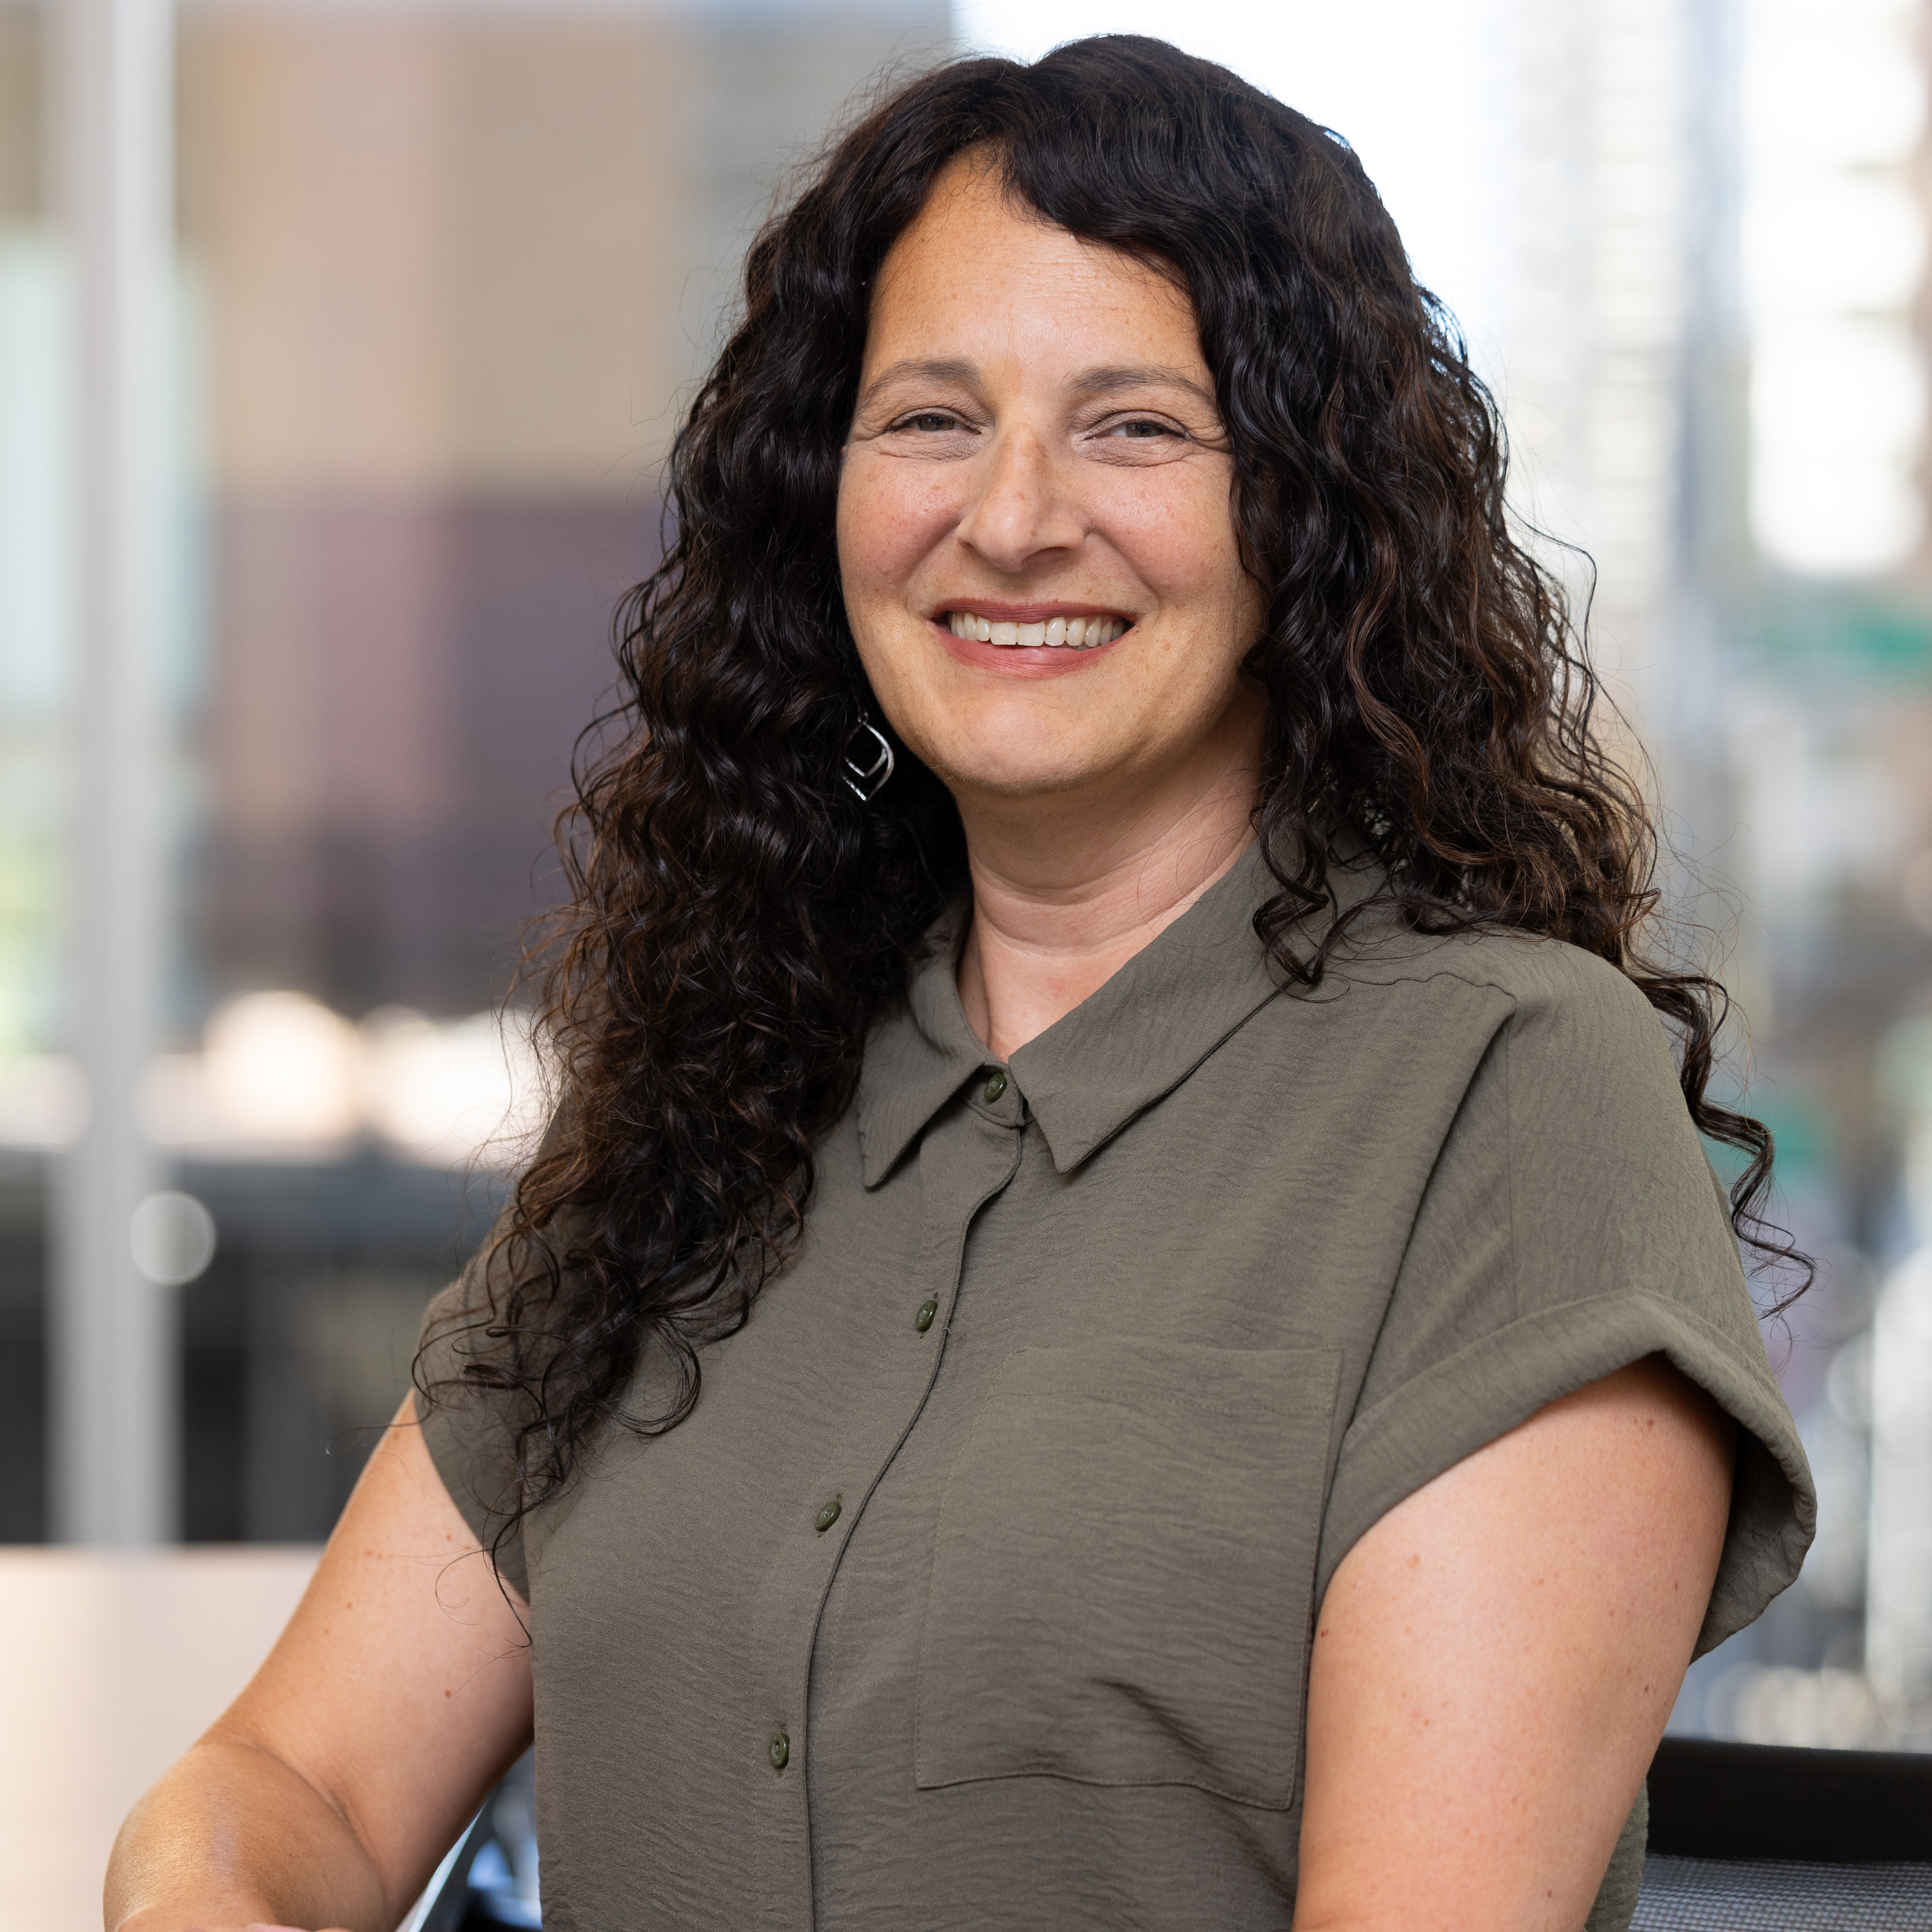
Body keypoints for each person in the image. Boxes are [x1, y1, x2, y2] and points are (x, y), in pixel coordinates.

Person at [107, 36, 1813, 1932]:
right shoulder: (716, 1094)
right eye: (930, 419)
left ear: (1307, 517)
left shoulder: (1507, 1100)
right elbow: (289, 1788)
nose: (1011, 519)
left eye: (1137, 427)